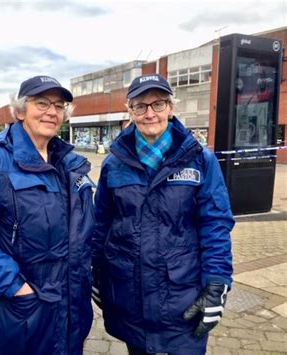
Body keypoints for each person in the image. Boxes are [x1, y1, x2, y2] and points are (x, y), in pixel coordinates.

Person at [0, 75, 95, 355]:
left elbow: (87, 235)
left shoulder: (72, 165)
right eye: (42, 103)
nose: (52, 111)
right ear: (21, 111)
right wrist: (15, 287)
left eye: (59, 106)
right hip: (19, 315)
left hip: (70, 311)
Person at [91, 74, 234, 355]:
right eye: (140, 106)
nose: (150, 113)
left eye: (158, 104)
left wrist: (217, 282)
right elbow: (101, 223)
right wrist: (95, 270)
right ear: (129, 111)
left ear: (171, 108)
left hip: (183, 297)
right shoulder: (113, 164)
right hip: (131, 294)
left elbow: (215, 224)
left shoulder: (200, 159)